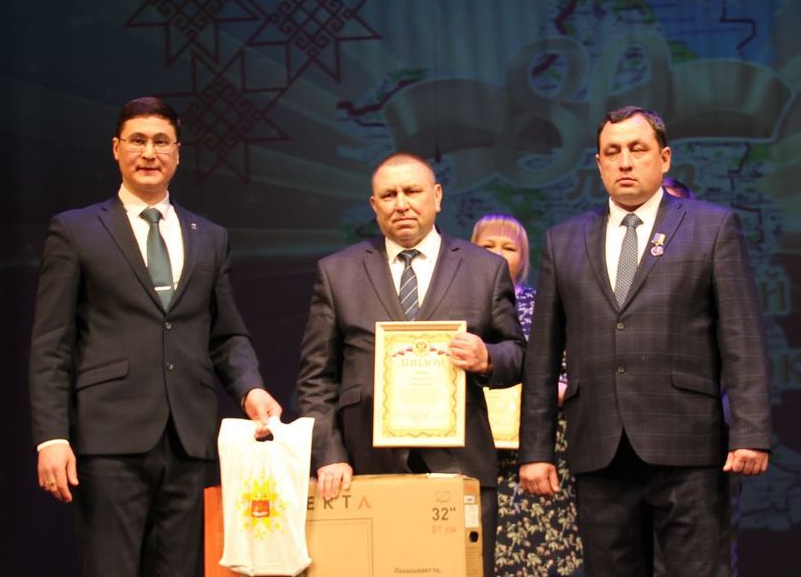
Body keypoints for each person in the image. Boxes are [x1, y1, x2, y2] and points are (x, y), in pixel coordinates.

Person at [28, 96, 282, 577]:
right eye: (138, 141)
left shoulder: (210, 236)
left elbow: (227, 335)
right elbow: (51, 344)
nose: (149, 153)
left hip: (189, 440)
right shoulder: (76, 230)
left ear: (178, 153)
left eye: (161, 142)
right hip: (109, 440)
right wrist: (51, 437)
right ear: (116, 148)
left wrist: (250, 388)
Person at [519, 106, 772, 577]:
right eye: (612, 152)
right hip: (599, 447)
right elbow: (542, 359)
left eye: (637, 149)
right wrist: (536, 450)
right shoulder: (563, 240)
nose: (625, 161)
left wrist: (751, 432)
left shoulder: (712, 227)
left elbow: (742, 337)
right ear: (598, 164)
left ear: (664, 158)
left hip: (689, 444)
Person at [297, 152, 526, 577]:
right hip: (366, 468)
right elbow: (316, 378)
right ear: (374, 205)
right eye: (389, 195)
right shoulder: (337, 272)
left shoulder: (485, 269)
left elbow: (518, 354)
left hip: (460, 463)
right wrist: (329, 454)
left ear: (436, 197)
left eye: (412, 191)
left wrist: (487, 358)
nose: (401, 203)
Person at [471, 214, 584, 576]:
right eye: (488, 245)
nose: (498, 254)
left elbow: (571, 368)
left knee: (544, 544)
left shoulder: (546, 304)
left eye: (509, 247)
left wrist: (552, 390)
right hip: (476, 442)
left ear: (524, 257)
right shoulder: (456, 306)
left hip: (540, 443)